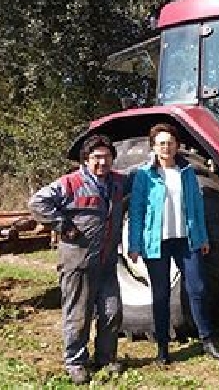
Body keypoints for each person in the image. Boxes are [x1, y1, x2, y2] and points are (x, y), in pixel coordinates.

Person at [28, 134, 128, 384]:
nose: (102, 162)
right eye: (96, 158)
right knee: (79, 314)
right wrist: (63, 225)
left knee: (111, 312)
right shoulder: (70, 183)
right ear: (85, 160)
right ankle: (75, 362)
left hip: (106, 262)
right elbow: (37, 202)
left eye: (106, 157)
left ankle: (105, 358)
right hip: (78, 260)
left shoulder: (117, 183)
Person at [127, 123, 219, 364]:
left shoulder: (187, 173)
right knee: (160, 295)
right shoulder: (144, 175)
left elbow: (196, 209)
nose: (166, 147)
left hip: (186, 240)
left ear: (176, 146)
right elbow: (137, 211)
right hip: (157, 243)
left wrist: (201, 237)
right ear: (153, 146)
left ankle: (207, 340)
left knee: (198, 288)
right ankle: (163, 348)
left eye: (170, 142)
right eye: (161, 143)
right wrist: (134, 243)